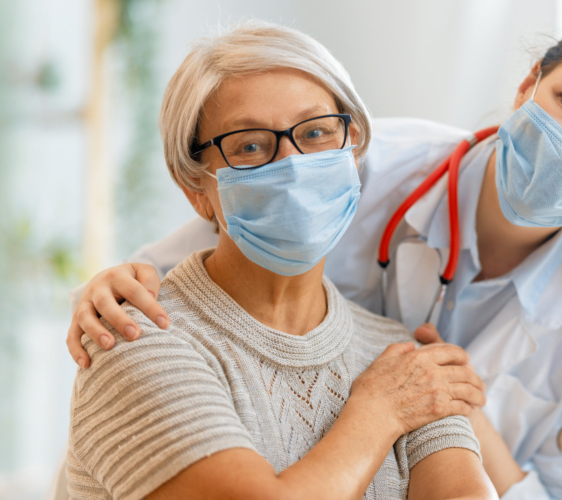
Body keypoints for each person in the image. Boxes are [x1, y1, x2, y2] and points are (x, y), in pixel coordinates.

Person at [70, 7, 562, 499]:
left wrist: (457, 407)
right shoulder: (362, 167)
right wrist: (109, 288)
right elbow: (187, 270)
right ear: (527, 87)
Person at [65, 22, 495, 500]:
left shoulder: (397, 356)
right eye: (250, 145)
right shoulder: (135, 338)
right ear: (194, 187)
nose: (292, 165)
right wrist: (376, 413)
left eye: (315, 133)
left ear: (352, 150)